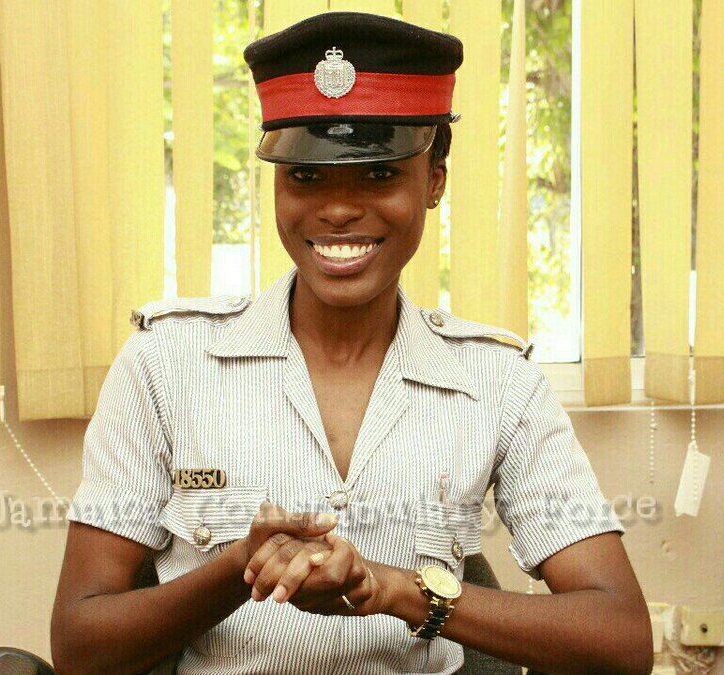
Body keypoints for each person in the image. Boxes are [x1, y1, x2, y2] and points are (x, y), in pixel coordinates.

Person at [51, 11, 651, 675]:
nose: (337, 209)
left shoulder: (497, 381)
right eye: (305, 177)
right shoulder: (166, 364)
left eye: (378, 174)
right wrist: (241, 568)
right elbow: (80, 645)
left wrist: (399, 591)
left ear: (434, 181)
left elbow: (620, 639)